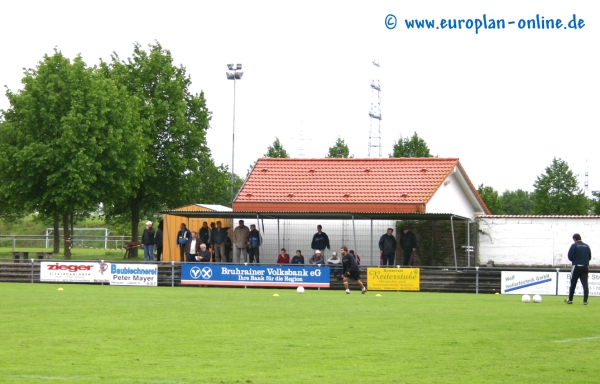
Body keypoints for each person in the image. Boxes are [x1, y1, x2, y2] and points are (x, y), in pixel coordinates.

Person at [565, 233, 592, 305]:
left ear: (574, 239)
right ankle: (585, 301)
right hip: (585, 267)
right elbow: (589, 257)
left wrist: (576, 259)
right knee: (585, 284)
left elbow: (570, 257)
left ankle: (570, 300)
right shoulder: (587, 246)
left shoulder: (574, 245)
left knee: (573, 283)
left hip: (576, 267)